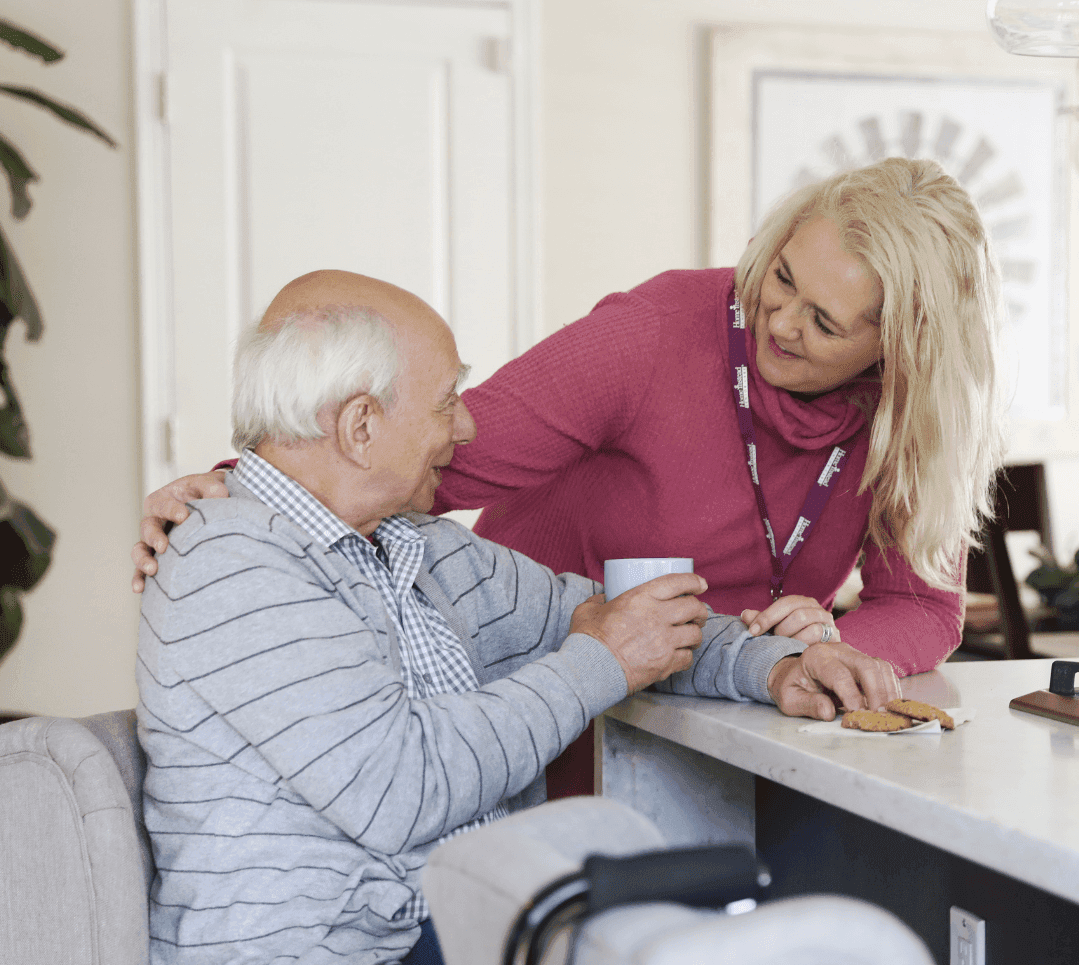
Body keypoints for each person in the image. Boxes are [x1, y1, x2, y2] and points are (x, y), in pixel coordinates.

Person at [137, 270, 899, 965]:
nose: (466, 427)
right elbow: (404, 788)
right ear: (361, 426)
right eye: (445, 401)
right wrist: (602, 663)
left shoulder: (415, 548)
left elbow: (613, 616)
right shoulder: (234, 564)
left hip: (445, 948)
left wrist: (775, 664)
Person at [132, 157, 1005, 798]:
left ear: (898, 351)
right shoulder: (656, 333)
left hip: (733, 696)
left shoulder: (910, 418)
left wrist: (831, 651)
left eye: (824, 320)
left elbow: (926, 608)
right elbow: (433, 452)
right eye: (780, 276)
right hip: (546, 696)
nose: (776, 318)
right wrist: (242, 491)